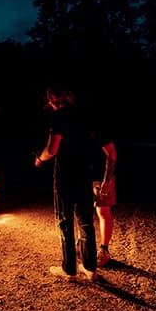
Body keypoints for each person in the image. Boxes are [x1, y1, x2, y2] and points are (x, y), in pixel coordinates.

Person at [34, 84, 99, 281]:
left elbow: (52, 149)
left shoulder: (59, 116)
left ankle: (69, 269)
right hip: (85, 172)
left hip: (65, 174)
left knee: (65, 221)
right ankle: (90, 268)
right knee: (86, 221)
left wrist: (40, 158)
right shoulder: (84, 114)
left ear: (53, 98)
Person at [91, 133, 117, 267]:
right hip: (84, 175)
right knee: (80, 211)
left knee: (103, 212)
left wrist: (107, 179)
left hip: (100, 177)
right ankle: (81, 245)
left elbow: (112, 153)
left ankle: (104, 250)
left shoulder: (97, 127)